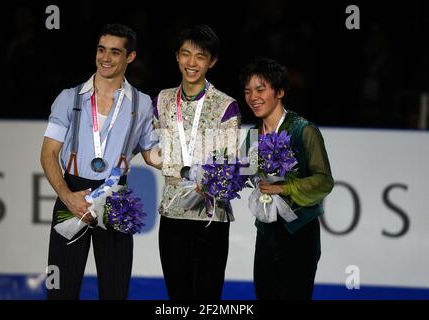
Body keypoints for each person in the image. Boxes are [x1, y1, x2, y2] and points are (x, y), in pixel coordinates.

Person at [40, 23, 160, 300]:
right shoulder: (69, 98)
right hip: (73, 193)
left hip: (116, 198)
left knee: (115, 291)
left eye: (115, 52)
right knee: (60, 290)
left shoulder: (141, 104)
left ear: (129, 57)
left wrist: (186, 163)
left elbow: (151, 153)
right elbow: (48, 154)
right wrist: (68, 197)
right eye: (101, 50)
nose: (105, 57)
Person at [153, 24, 241, 300]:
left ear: (212, 61)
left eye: (200, 56)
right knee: (177, 297)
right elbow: (150, 151)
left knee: (207, 298)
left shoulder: (225, 105)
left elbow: (228, 161)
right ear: (177, 56)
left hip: (210, 217)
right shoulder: (163, 100)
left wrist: (206, 181)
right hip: (172, 213)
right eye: (185, 54)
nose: (191, 63)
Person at [240, 57, 334, 300]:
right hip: (266, 233)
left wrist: (284, 187)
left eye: (261, 90)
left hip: (299, 232)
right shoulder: (253, 135)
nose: (253, 97)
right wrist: (212, 176)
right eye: (248, 91)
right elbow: (240, 173)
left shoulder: (304, 130)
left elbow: (324, 181)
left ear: (279, 92)